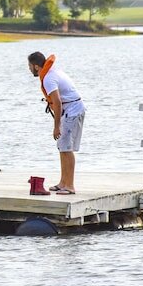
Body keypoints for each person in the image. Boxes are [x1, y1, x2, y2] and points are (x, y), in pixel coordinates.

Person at [27, 51, 85, 195]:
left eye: (29, 66)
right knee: (62, 147)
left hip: (73, 110)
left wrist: (56, 127)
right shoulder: (51, 72)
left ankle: (70, 186)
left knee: (67, 148)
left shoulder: (48, 78)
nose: (29, 69)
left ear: (36, 66)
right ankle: (63, 183)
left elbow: (57, 102)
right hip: (70, 109)